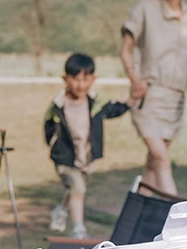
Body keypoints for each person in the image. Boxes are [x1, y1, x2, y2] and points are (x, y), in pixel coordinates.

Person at [120, 0, 187, 196]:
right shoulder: (144, 9)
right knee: (162, 160)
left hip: (175, 98)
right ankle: (176, 209)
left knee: (153, 165)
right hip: (147, 94)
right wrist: (134, 79)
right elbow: (125, 49)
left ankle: (137, 216)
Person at [45, 52, 134, 239]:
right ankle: (78, 229)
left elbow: (111, 110)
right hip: (65, 158)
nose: (81, 85)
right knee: (78, 188)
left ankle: (61, 210)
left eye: (86, 80)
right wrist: (55, 147)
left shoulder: (95, 102)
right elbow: (48, 127)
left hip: (85, 156)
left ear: (93, 80)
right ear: (65, 79)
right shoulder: (59, 105)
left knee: (75, 189)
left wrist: (129, 103)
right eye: (76, 79)